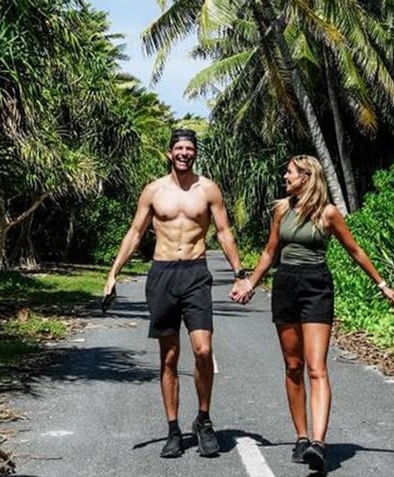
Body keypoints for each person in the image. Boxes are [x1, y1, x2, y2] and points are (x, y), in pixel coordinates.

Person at [230, 154, 394, 471]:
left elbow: (355, 250)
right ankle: (301, 437)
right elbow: (270, 252)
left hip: (317, 287)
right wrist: (250, 284)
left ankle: (318, 444)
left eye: (290, 172)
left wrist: (382, 284)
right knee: (293, 366)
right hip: (285, 286)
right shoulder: (283, 210)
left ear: (307, 177)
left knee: (316, 367)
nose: (285, 176)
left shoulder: (328, 213)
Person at [103, 129, 248, 459]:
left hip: (195, 273)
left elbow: (224, 232)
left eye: (190, 148)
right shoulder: (154, 191)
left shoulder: (208, 189)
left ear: (195, 153)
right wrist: (113, 273)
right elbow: (135, 232)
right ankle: (172, 429)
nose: (184, 153)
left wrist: (240, 274)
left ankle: (204, 420)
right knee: (168, 357)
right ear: (170, 153)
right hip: (163, 274)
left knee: (203, 349)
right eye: (179, 148)